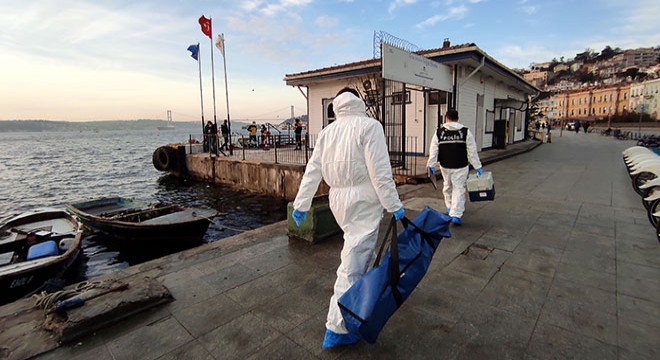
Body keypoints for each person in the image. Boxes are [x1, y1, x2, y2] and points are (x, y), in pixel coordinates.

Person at [291, 87, 404, 349]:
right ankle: (337, 327)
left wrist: (301, 204)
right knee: (352, 264)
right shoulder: (369, 126)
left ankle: (355, 310)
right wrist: (393, 204)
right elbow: (380, 172)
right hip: (363, 200)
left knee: (355, 253)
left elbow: (313, 170)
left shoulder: (327, 132)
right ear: (358, 102)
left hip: (338, 200)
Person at [427, 109, 482, 226]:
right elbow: (471, 151)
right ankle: (455, 214)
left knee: (447, 186)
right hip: (460, 166)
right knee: (459, 188)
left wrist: (431, 164)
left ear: (446, 118)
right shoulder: (465, 132)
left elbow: (433, 150)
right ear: (457, 118)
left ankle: (450, 207)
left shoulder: (439, 132)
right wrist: (477, 166)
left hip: (445, 165)